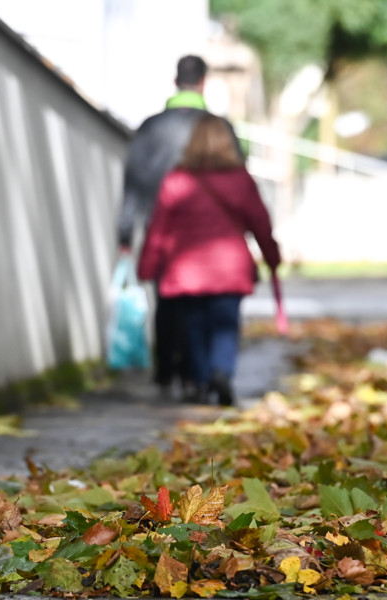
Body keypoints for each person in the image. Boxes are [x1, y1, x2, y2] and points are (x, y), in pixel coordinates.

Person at [117, 55, 243, 398]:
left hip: (162, 230)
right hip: (212, 237)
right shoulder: (219, 127)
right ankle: (194, 375)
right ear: (203, 82)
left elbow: (133, 181)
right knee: (201, 309)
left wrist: (126, 231)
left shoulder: (150, 127)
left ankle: (166, 371)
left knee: (169, 303)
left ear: (176, 82)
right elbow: (239, 179)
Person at [135, 112, 281, 406]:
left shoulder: (176, 180)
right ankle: (222, 373)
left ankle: (201, 381)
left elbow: (158, 228)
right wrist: (271, 256)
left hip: (187, 270)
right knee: (226, 324)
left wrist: (147, 265)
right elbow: (260, 223)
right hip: (230, 269)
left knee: (194, 328)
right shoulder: (241, 181)